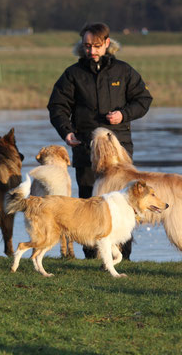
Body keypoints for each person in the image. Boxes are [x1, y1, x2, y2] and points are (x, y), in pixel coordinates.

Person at [47, 22, 153, 260]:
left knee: (123, 201)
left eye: (96, 46)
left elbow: (144, 99)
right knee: (87, 201)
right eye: (87, 46)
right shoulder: (72, 74)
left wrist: (123, 115)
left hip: (120, 152)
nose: (91, 51)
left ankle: (123, 256)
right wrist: (67, 132)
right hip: (85, 150)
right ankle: (91, 256)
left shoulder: (124, 72)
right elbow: (57, 106)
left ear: (106, 43)